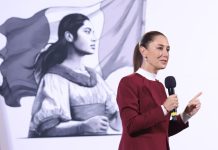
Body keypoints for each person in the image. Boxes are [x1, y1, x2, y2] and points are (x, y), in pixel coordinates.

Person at [28, 13, 121, 137]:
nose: (93, 38)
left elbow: (116, 123)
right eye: (87, 32)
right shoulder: (54, 78)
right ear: (69, 36)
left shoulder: (95, 77)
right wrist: (83, 126)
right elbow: (47, 129)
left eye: (93, 32)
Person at [116, 31, 201, 150]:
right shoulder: (128, 82)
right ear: (143, 51)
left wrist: (185, 115)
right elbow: (131, 125)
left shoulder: (160, 86)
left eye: (168, 49)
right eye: (160, 48)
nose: (165, 54)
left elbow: (160, 132)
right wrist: (164, 108)